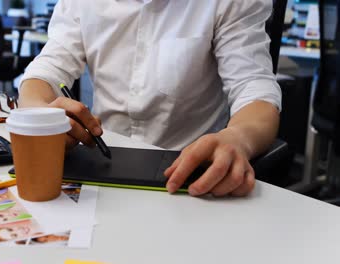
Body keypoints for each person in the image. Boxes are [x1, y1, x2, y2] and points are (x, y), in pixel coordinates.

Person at [18, 0, 281, 197]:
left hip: (186, 178)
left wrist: (238, 137)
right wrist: (39, 114)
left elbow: (254, 88)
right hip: (101, 171)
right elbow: (46, 71)